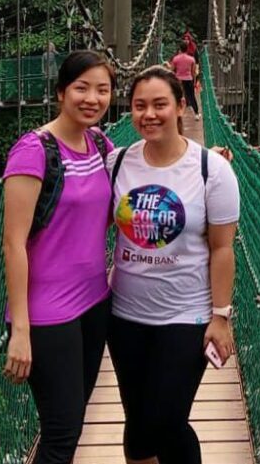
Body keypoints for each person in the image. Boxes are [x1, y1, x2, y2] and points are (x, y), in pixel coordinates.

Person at [106, 65, 240, 464]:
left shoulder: (211, 170)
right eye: (139, 105)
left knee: (166, 421)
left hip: (187, 316)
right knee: (138, 425)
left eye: (160, 104)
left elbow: (222, 249)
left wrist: (221, 316)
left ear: (181, 106)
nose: (149, 114)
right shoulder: (115, 162)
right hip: (124, 314)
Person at [1, 50, 116, 464]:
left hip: (94, 305)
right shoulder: (34, 150)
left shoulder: (101, 144)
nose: (92, 98)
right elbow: (13, 243)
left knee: (73, 423)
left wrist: (205, 164)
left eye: (102, 90)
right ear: (61, 92)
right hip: (47, 316)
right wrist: (21, 330)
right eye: (81, 88)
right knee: (61, 433)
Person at [168, 41, 201, 118]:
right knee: (191, 96)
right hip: (188, 79)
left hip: (178, 80)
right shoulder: (191, 59)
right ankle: (196, 114)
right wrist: (194, 81)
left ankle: (174, 113)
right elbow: (193, 72)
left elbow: (172, 70)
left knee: (176, 96)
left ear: (180, 49)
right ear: (187, 49)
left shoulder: (175, 59)